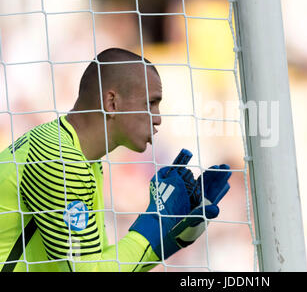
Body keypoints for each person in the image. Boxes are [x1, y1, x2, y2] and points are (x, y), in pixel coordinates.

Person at [0, 48, 231, 272]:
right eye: (150, 103)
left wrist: (172, 237)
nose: (158, 118)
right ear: (112, 103)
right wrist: (157, 222)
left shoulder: (81, 158)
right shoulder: (58, 160)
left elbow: (103, 262)